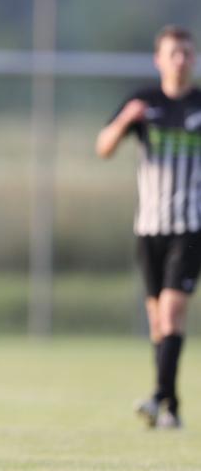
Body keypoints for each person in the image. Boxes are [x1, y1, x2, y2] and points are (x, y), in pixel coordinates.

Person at [96, 24, 201, 430]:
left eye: (187, 53)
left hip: (190, 226)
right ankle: (171, 405)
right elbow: (103, 148)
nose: (181, 59)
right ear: (159, 59)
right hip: (149, 226)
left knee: (173, 313)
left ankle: (157, 397)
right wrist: (124, 120)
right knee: (158, 321)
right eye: (173, 53)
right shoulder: (143, 102)